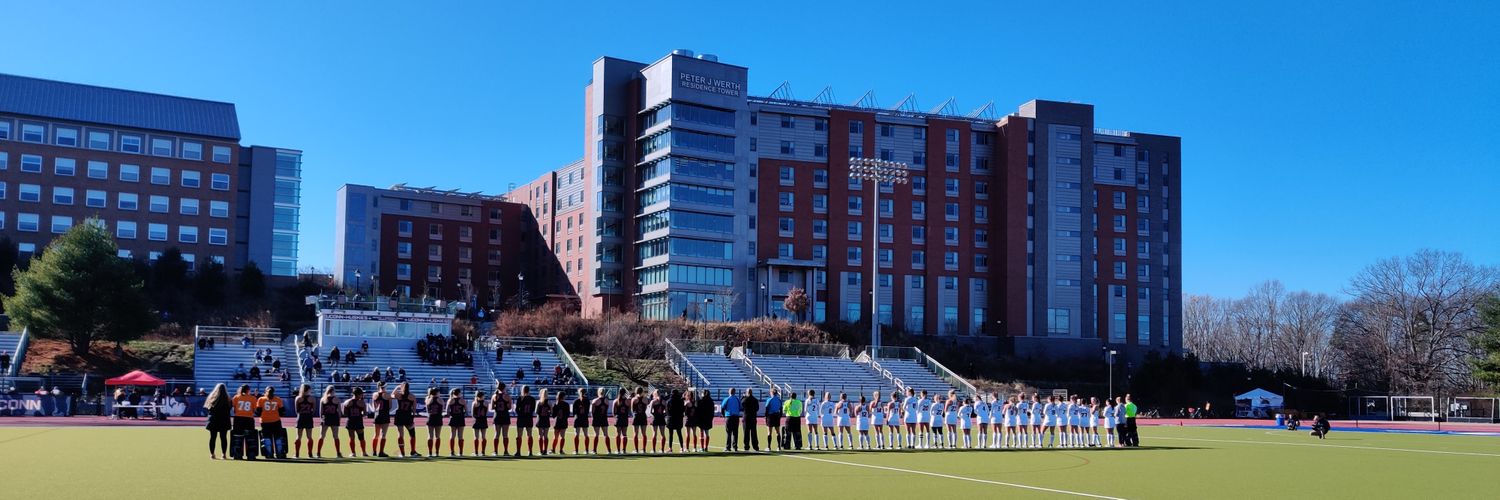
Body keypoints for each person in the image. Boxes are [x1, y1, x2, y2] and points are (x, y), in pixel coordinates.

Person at [256, 387, 286, 459]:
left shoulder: (261, 399)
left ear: (265, 392)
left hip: (265, 421)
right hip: (276, 421)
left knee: (267, 438)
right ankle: (279, 453)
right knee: (278, 438)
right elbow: (282, 412)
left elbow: (258, 412)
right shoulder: (278, 399)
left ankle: (269, 454)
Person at [203, 383, 231, 460]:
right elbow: (230, 408)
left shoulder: (212, 397)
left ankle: (212, 454)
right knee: (223, 437)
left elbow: (208, 408)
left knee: (212, 437)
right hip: (224, 419)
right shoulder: (228, 398)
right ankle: (224, 454)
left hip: (213, 419)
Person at [393, 382, 419, 457]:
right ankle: (413, 451)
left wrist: (397, 387)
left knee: (400, 435)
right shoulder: (412, 396)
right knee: (412, 434)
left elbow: (392, 394)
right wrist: (413, 416)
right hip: (407, 416)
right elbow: (414, 408)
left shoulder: (398, 395)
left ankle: (402, 453)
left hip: (399, 416)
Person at [318, 386, 343, 458]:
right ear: (333, 391)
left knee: (321, 436)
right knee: (336, 436)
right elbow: (339, 412)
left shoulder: (323, 399)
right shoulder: (337, 399)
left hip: (325, 419)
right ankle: (338, 453)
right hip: (334, 418)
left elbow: (321, 412)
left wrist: (321, 419)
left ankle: (318, 453)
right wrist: (339, 419)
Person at [344, 387, 369, 457]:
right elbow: (365, 414)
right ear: (358, 394)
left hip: (350, 421)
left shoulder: (347, 402)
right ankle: (364, 452)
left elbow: (344, 413)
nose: (362, 395)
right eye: (361, 394)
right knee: (361, 438)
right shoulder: (362, 403)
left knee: (352, 438)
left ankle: (353, 453)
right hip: (358, 421)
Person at [292, 384, 316, 458]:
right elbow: (314, 410)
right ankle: (310, 454)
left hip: (300, 417)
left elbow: (296, 410)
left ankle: (296, 454)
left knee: (298, 437)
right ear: (308, 390)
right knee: (309, 437)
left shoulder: (298, 398)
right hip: (308, 417)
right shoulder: (312, 398)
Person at [369, 382, 393, 457]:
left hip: (377, 415)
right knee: (383, 434)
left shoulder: (374, 394)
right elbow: (390, 406)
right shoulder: (387, 395)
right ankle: (381, 452)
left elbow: (374, 407)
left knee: (376, 434)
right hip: (385, 415)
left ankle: (374, 451)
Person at [490, 381, 513, 457]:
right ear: (504, 388)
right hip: (505, 416)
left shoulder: (494, 396)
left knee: (496, 434)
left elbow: (492, 407)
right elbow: (510, 408)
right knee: (505, 435)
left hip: (497, 416)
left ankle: (495, 451)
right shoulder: (507, 396)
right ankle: (506, 451)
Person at [514, 385, 537, 457]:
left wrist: (520, 414)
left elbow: (517, 409)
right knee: (529, 435)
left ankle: (518, 452)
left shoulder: (520, 398)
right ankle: (530, 452)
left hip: (521, 418)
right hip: (529, 418)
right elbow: (533, 409)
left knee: (519, 435)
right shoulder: (532, 399)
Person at [446, 388, 467, 457]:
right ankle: (460, 452)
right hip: (460, 419)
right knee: (460, 436)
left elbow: (447, 411)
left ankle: (452, 452)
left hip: (453, 418)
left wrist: (450, 415)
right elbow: (466, 411)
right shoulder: (462, 400)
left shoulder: (450, 400)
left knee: (452, 435)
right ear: (459, 393)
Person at [590, 387, 611, 454]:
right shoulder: (607, 401)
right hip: (604, 418)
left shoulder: (595, 400)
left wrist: (593, 418)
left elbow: (592, 412)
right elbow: (606, 410)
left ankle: (594, 450)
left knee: (596, 434)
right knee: (606, 434)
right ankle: (609, 450)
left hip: (597, 419)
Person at [571, 387, 591, 455]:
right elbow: (588, 411)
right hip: (585, 418)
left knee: (577, 434)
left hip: (577, 419)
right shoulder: (587, 400)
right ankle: (586, 450)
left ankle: (576, 450)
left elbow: (573, 412)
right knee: (586, 435)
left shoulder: (576, 401)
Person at [550, 389, 570, 455]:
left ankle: (553, 449)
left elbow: (553, 416)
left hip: (557, 422)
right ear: (563, 397)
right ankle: (561, 450)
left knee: (555, 437)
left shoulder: (555, 404)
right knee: (562, 437)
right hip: (564, 421)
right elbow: (568, 415)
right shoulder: (566, 404)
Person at [471, 389, 489, 456]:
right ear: (482, 396)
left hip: (476, 421)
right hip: (483, 420)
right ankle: (483, 452)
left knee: (476, 437)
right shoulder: (486, 403)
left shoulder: (474, 403)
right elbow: (486, 412)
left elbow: (472, 414)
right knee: (484, 437)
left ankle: (476, 452)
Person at [612, 389, 630, 455]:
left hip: (618, 419)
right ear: (625, 393)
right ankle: (624, 450)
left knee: (618, 435)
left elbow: (613, 413)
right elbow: (629, 411)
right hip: (625, 418)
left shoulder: (616, 401)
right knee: (624, 434)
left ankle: (618, 450)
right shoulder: (627, 401)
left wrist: (616, 418)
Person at [631, 387, 649, 454]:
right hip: (643, 416)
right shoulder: (645, 399)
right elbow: (646, 407)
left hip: (636, 416)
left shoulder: (634, 399)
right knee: (644, 434)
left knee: (635, 434)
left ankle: (636, 450)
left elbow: (632, 410)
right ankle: (644, 449)